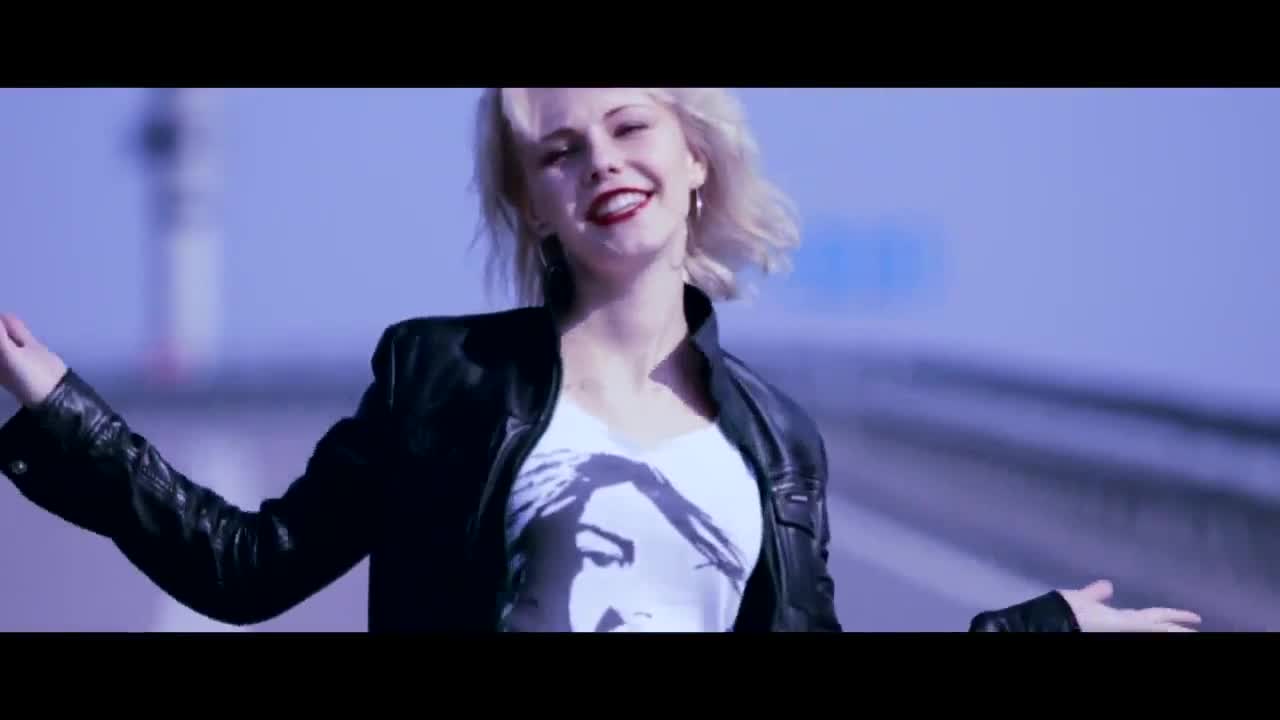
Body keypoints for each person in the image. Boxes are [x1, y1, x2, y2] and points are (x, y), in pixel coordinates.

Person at [0, 87, 1202, 633]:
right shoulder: (439, 380)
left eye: (630, 127)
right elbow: (244, 568)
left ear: (695, 157)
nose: (600, 163)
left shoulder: (776, 439)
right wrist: (58, 408)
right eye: (559, 150)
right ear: (532, 201)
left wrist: (1031, 634)